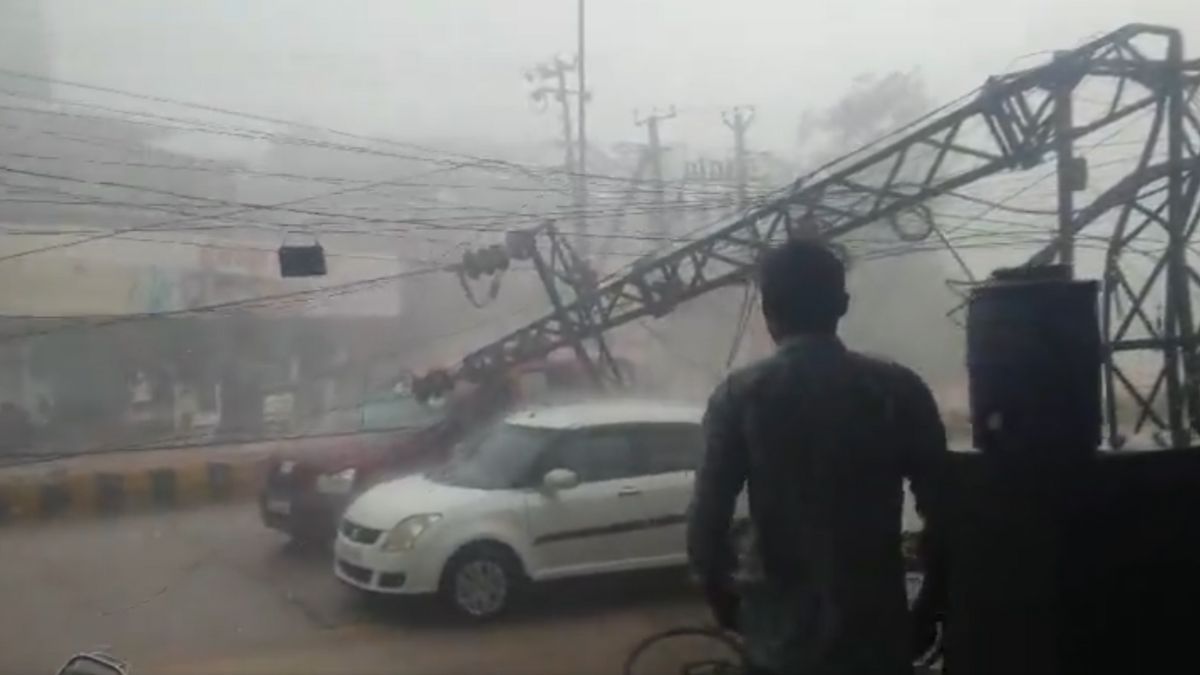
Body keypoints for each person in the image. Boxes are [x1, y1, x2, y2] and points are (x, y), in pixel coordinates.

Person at [687, 239, 948, 675]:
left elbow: (706, 523)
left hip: (780, 642)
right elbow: (948, 514)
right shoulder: (898, 390)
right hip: (875, 637)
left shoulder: (741, 396)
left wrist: (726, 603)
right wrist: (932, 605)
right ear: (842, 304)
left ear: (768, 309)